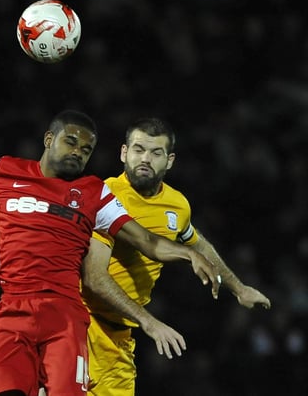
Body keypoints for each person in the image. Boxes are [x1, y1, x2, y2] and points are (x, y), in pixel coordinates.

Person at [0, 110, 220, 396]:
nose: (78, 152)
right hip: (13, 311)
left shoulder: (94, 194)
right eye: (71, 142)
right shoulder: (2, 170)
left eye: (86, 149)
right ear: (49, 139)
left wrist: (190, 255)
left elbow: (147, 241)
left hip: (64, 318)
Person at [83, 117, 272, 396]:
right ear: (124, 153)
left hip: (120, 338)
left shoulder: (177, 204)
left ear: (169, 160)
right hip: (81, 326)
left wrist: (239, 288)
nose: (145, 159)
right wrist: (150, 322)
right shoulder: (104, 195)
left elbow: (198, 245)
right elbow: (94, 279)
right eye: (138, 150)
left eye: (155, 153)